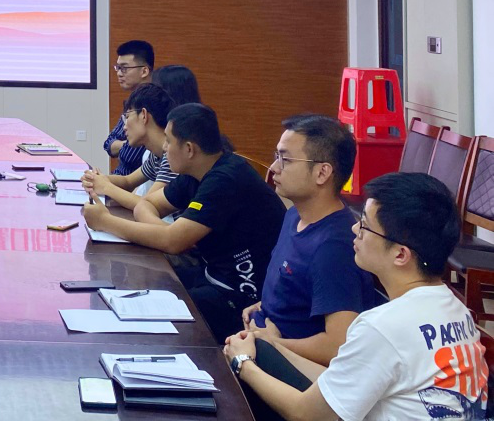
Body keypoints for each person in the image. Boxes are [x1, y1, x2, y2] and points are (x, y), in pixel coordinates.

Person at [224, 172, 488, 421]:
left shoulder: (383, 327)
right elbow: (339, 381)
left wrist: (242, 363)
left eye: (365, 226)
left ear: (400, 254)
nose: (354, 229)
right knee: (263, 348)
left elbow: (307, 413)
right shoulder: (455, 309)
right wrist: (274, 345)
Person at [82, 102, 285, 341]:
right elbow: (146, 205)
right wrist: (169, 233)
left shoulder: (225, 179)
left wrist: (106, 222)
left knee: (154, 319)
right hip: (211, 274)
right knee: (142, 288)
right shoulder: (196, 171)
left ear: (189, 149)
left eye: (168, 141)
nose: (164, 148)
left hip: (241, 297)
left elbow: (172, 242)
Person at [242, 115, 379, 366]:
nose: (274, 167)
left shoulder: (333, 248)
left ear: (322, 172)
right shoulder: (295, 215)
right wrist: (264, 307)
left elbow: (338, 346)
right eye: (277, 156)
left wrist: (272, 343)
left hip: (289, 365)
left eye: (285, 159)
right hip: (261, 339)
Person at [81, 84, 178, 210]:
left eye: (127, 117)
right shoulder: (156, 155)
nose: (124, 127)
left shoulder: (172, 156)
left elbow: (148, 205)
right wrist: (97, 179)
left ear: (143, 115)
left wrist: (105, 186)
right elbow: (128, 181)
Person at [103, 40, 153, 175]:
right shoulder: (133, 100)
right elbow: (108, 143)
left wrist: (123, 145)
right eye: (118, 68)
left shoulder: (151, 104)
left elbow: (130, 155)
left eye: (124, 68)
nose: (119, 73)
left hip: (129, 184)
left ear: (144, 71)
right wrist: (129, 143)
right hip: (117, 179)